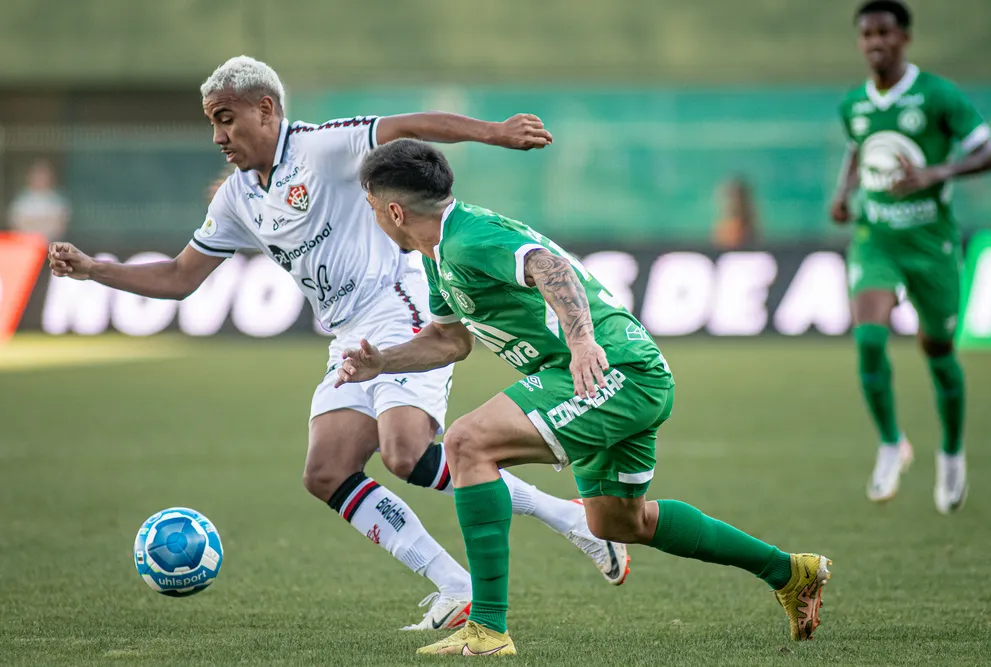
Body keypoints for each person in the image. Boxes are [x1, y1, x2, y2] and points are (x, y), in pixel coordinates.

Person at [46, 56, 629, 630]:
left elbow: (407, 127)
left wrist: (494, 133)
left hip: (400, 309)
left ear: (266, 109)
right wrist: (95, 270)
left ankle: (569, 523)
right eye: (212, 122)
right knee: (326, 471)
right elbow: (178, 278)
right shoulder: (236, 198)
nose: (218, 135)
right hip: (348, 333)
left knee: (406, 454)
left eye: (226, 118)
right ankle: (460, 582)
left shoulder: (321, 148)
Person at [336, 138, 831, 655]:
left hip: (611, 371)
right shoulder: (439, 254)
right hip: (614, 375)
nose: (374, 218)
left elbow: (551, 268)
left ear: (393, 209)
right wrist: (383, 362)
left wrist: (580, 341)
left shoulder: (466, 238)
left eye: (372, 208)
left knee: (465, 444)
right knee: (618, 522)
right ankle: (790, 572)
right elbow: (449, 340)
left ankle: (486, 628)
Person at [829, 1, 991, 512]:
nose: (875, 43)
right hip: (876, 238)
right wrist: (844, 191)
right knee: (869, 339)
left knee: (938, 350)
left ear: (905, 38)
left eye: (884, 33)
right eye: (866, 35)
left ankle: (950, 454)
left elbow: (989, 152)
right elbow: (859, 147)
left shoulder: (938, 96)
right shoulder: (853, 104)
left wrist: (935, 173)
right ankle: (890, 443)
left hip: (931, 245)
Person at [8, 159, 70, 241]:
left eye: (44, 175)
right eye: (38, 175)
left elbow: (60, 225)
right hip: (27, 245)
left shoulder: (58, 201)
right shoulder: (21, 200)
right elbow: (16, 224)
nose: (40, 179)